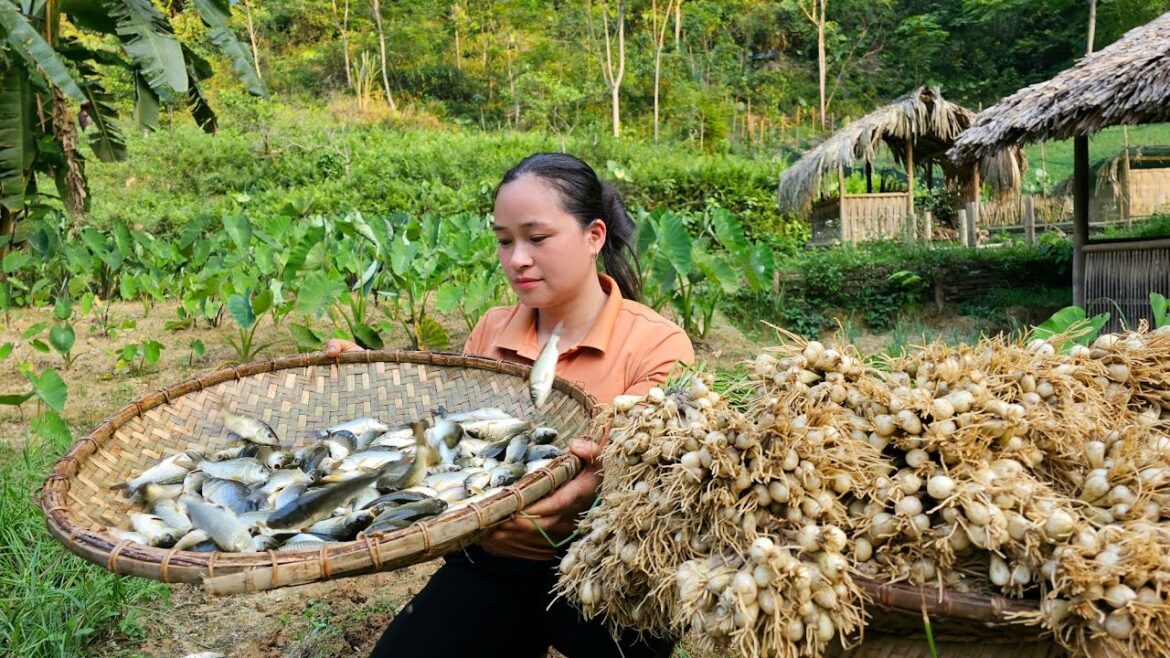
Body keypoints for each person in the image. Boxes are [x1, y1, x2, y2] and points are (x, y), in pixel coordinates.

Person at [326, 152, 694, 658]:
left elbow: (656, 474)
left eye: (537, 238)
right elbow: (448, 434)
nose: (517, 258)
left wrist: (577, 499)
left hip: (606, 567)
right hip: (492, 559)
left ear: (594, 237)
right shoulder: (492, 329)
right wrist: (375, 376)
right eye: (504, 240)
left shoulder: (657, 345)